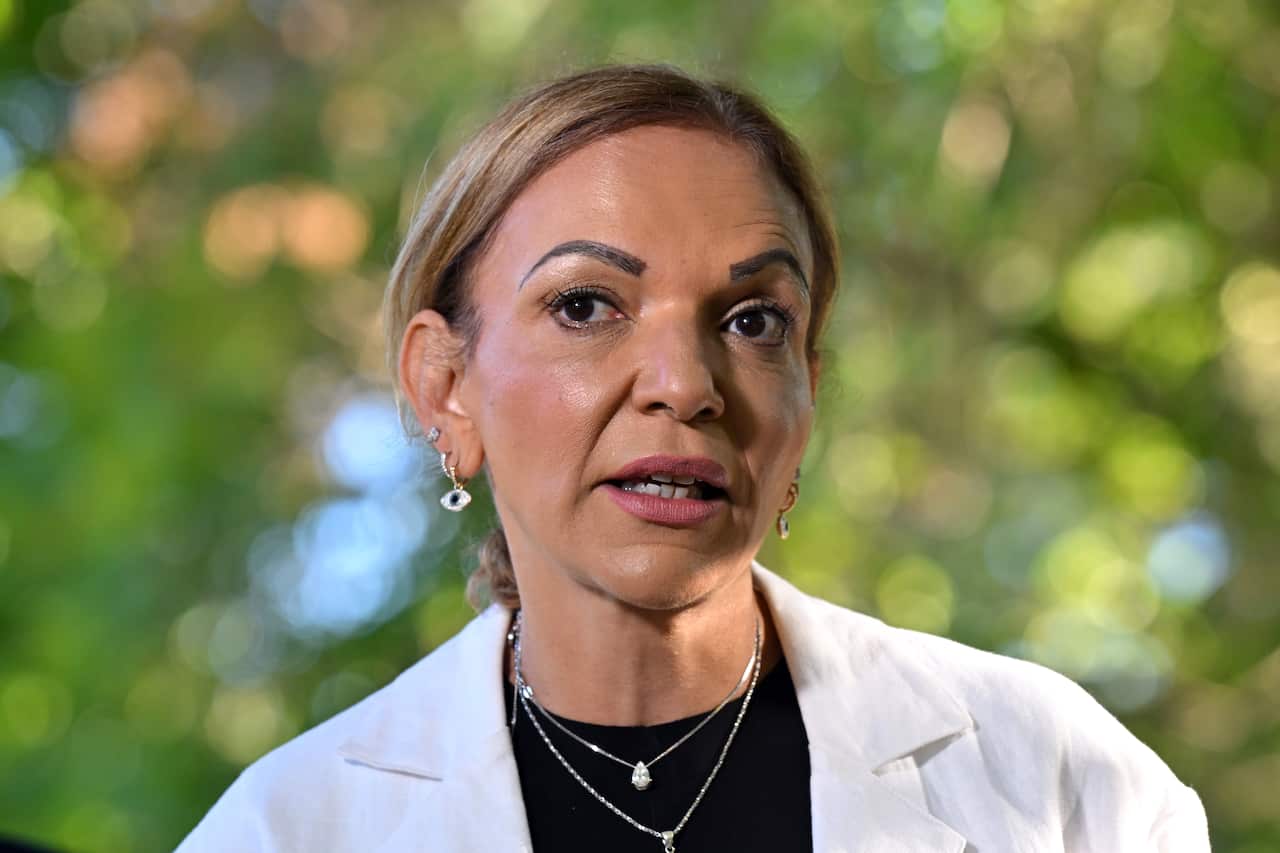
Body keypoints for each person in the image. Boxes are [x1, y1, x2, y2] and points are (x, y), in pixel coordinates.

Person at [176, 64, 1210, 852]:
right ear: (446, 386)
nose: (684, 381)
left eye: (753, 319)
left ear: (806, 390)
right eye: (585, 306)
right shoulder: (287, 827)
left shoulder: (1060, 783)